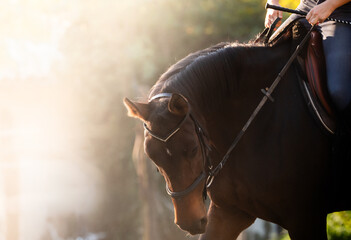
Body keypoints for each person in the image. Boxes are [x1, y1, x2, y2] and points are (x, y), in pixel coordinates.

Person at [265, 0, 351, 132]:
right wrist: (273, 2)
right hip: (306, 9)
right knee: (260, 57)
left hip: (341, 13)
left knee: (339, 92)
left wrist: (331, 4)